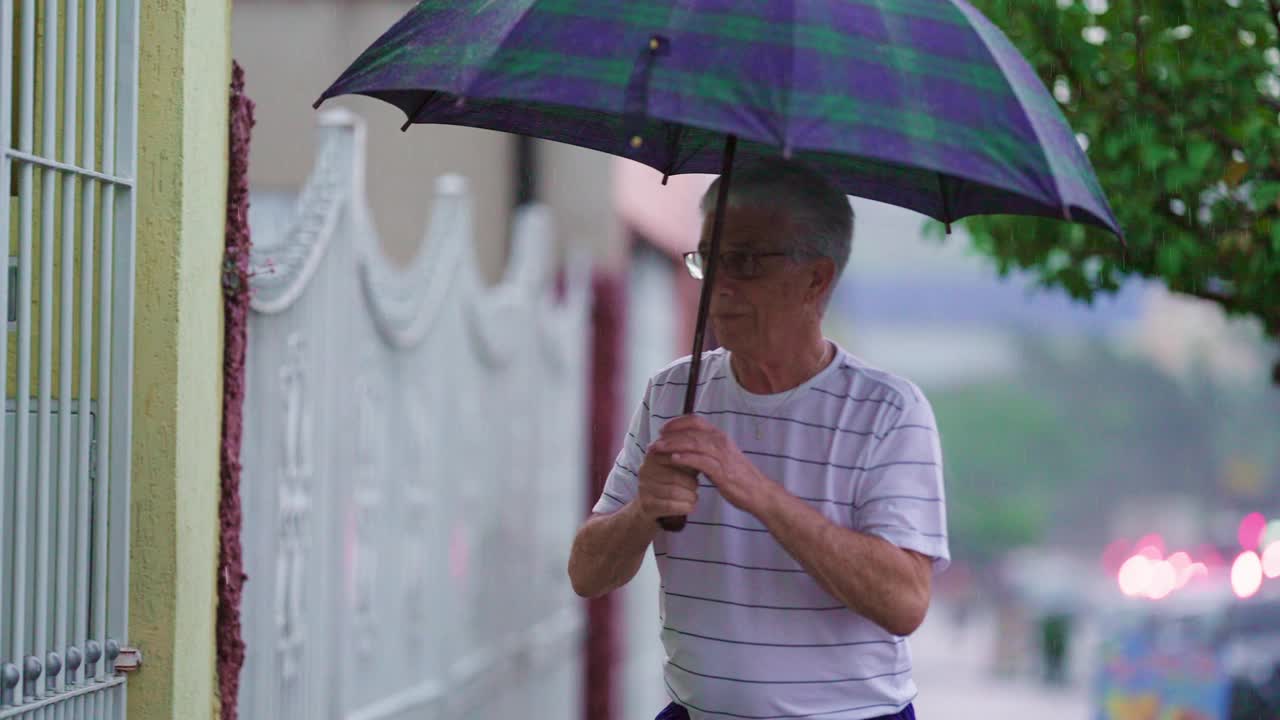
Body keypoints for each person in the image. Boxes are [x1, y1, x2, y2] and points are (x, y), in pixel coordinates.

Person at [567, 158, 949, 720]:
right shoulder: (673, 392)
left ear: (816, 279)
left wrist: (753, 487)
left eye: (743, 263)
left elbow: (904, 602)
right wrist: (643, 511)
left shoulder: (888, 412)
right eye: (708, 260)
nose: (719, 287)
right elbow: (587, 574)